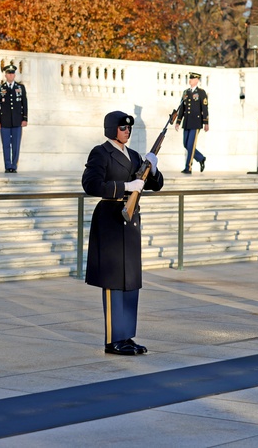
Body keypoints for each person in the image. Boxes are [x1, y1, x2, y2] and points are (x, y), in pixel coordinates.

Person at [83, 111, 164, 355]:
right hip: (110, 220)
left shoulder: (133, 155)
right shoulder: (100, 152)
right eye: (122, 128)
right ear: (111, 129)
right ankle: (113, 340)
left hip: (130, 222)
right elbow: (91, 185)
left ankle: (127, 336)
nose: (127, 131)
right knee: (113, 282)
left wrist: (153, 167)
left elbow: (155, 185)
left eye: (129, 128)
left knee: (130, 282)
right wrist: (126, 186)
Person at [0, 64, 27, 173]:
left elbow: (24, 103)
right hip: (5, 121)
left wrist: (25, 118)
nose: (11, 75)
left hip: (17, 121)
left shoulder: (20, 87)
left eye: (12, 73)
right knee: (6, 145)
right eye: (9, 73)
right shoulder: (0, 88)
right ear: (5, 75)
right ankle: (8, 166)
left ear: (14, 75)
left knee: (16, 145)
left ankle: (14, 166)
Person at [173, 71, 209, 173]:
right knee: (186, 144)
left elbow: (205, 108)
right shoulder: (186, 92)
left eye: (192, 79)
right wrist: (178, 122)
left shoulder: (201, 92)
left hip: (196, 122)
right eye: (190, 78)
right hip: (187, 122)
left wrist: (206, 122)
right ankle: (201, 158)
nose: (190, 80)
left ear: (197, 80)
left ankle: (188, 167)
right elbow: (182, 108)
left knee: (190, 145)